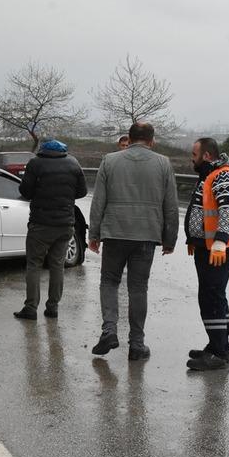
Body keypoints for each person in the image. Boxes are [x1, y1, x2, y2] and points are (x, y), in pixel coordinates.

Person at [88, 122, 179, 361]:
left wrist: (94, 234)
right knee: (138, 288)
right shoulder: (163, 163)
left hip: (115, 232)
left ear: (129, 138)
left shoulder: (109, 161)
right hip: (147, 234)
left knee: (109, 281)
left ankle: (109, 330)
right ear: (152, 140)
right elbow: (171, 205)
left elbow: (98, 201)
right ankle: (137, 344)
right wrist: (169, 238)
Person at [184, 137, 229, 371]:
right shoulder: (210, 174)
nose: (191, 159)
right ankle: (218, 345)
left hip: (219, 249)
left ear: (206, 155)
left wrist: (220, 242)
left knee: (212, 296)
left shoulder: (224, 175)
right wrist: (194, 239)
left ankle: (219, 353)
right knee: (212, 295)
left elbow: (228, 209)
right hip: (207, 247)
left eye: (194, 155)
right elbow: (203, 209)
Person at [13, 139, 87, 320]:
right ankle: (53, 307)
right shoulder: (73, 163)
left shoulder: (35, 163)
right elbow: (82, 192)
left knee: (34, 265)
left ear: (42, 150)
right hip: (65, 225)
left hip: (41, 224)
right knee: (57, 265)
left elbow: (25, 191)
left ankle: (31, 308)